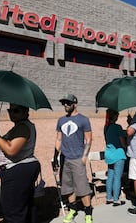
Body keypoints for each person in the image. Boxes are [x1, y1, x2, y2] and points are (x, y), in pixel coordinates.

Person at [0, 103, 41, 223]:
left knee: (13, 211)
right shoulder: (20, 126)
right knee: (25, 207)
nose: (12, 113)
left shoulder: (23, 127)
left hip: (18, 171)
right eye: (10, 111)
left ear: (25, 112)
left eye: (16, 111)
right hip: (21, 169)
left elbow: (11, 150)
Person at [52, 94, 93, 223]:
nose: (65, 105)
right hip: (65, 158)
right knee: (68, 187)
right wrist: (55, 157)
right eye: (64, 103)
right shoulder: (61, 120)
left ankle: (88, 213)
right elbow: (58, 139)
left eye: (68, 103)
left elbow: (88, 139)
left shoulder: (83, 120)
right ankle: (73, 210)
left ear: (75, 104)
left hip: (77, 158)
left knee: (82, 188)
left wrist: (84, 157)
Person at [103, 109, 127, 207]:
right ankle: (116, 199)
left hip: (109, 153)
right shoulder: (117, 127)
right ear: (115, 116)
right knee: (117, 177)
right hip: (118, 153)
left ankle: (109, 197)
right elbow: (122, 142)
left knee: (110, 176)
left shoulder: (106, 127)